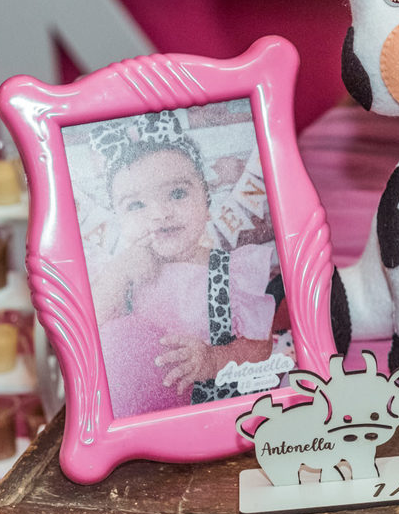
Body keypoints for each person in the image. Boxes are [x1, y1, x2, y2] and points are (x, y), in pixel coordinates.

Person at [89, 110, 277, 417]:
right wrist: (119, 273)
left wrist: (213, 360)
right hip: (146, 417)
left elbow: (260, 347)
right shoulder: (124, 274)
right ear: (119, 220)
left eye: (177, 193)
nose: (160, 213)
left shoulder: (230, 272)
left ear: (206, 202)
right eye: (136, 204)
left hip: (218, 416)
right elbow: (89, 329)